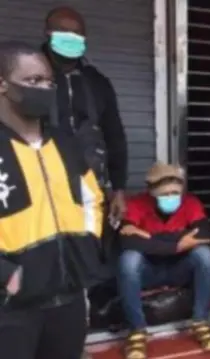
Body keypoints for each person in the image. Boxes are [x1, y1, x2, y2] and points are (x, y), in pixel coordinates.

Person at [0, 40, 104, 359]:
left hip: (68, 301)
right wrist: (5, 275)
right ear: (3, 85)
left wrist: (88, 248)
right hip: (11, 309)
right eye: (33, 81)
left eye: (48, 82)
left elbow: (92, 200)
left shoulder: (64, 142)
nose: (44, 88)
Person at [117, 162, 210, 358]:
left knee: (204, 254)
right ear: (152, 193)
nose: (171, 197)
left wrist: (148, 239)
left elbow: (205, 234)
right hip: (149, 271)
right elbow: (127, 239)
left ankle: (200, 322)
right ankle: (137, 331)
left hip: (178, 269)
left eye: (175, 193)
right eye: (165, 194)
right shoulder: (137, 204)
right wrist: (177, 243)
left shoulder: (190, 203)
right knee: (129, 260)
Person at [43, 6, 128, 222]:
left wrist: (118, 188)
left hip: (91, 187)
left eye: (77, 34)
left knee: (91, 249)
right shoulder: (30, 75)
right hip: (41, 187)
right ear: (48, 33)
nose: (71, 38)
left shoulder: (97, 82)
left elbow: (114, 136)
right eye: (64, 31)